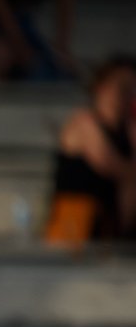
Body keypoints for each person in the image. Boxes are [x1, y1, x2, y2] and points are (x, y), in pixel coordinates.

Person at [46, 57, 136, 244]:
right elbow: (111, 164)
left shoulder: (128, 129)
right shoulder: (84, 121)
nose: (127, 95)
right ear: (101, 87)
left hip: (109, 225)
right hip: (75, 224)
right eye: (122, 87)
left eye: (132, 89)